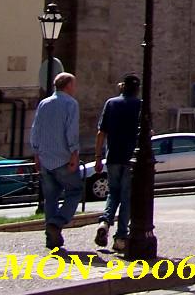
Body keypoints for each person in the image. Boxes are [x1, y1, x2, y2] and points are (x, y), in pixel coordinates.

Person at [30, 72, 83, 250]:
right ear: (68, 85)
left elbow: (35, 129)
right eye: (74, 85)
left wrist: (36, 154)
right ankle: (57, 223)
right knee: (75, 191)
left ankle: (51, 238)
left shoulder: (43, 103)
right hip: (64, 158)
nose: (75, 88)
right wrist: (74, 153)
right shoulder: (71, 104)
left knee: (50, 198)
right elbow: (71, 130)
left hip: (45, 158)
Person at [94, 73, 141, 254]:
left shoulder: (111, 103)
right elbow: (147, 132)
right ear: (136, 89)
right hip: (131, 159)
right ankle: (121, 237)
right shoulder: (140, 105)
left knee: (113, 193)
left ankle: (105, 222)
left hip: (113, 155)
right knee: (126, 198)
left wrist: (98, 157)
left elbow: (101, 132)